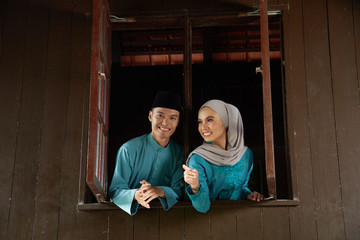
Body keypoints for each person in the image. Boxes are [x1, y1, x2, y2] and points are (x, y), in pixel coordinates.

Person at [109, 91, 184, 215]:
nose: (165, 123)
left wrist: (159, 190)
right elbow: (115, 191)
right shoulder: (128, 149)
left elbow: (178, 192)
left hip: (168, 219)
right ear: (150, 116)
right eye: (160, 115)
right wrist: (136, 195)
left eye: (172, 118)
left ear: (178, 122)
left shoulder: (180, 154)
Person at [183, 99, 263, 213]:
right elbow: (203, 207)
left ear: (226, 121)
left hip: (240, 218)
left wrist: (249, 195)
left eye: (209, 120)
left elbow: (242, 187)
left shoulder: (246, 154)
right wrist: (195, 185)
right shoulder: (198, 158)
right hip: (210, 222)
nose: (203, 127)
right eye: (200, 122)